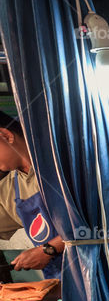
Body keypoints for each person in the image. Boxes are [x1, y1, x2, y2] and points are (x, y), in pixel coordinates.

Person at [0, 112, 64, 278]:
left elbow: (101, 222)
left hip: (103, 279)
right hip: (62, 286)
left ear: (6, 136)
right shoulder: (9, 190)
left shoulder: (63, 163)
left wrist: (49, 249)